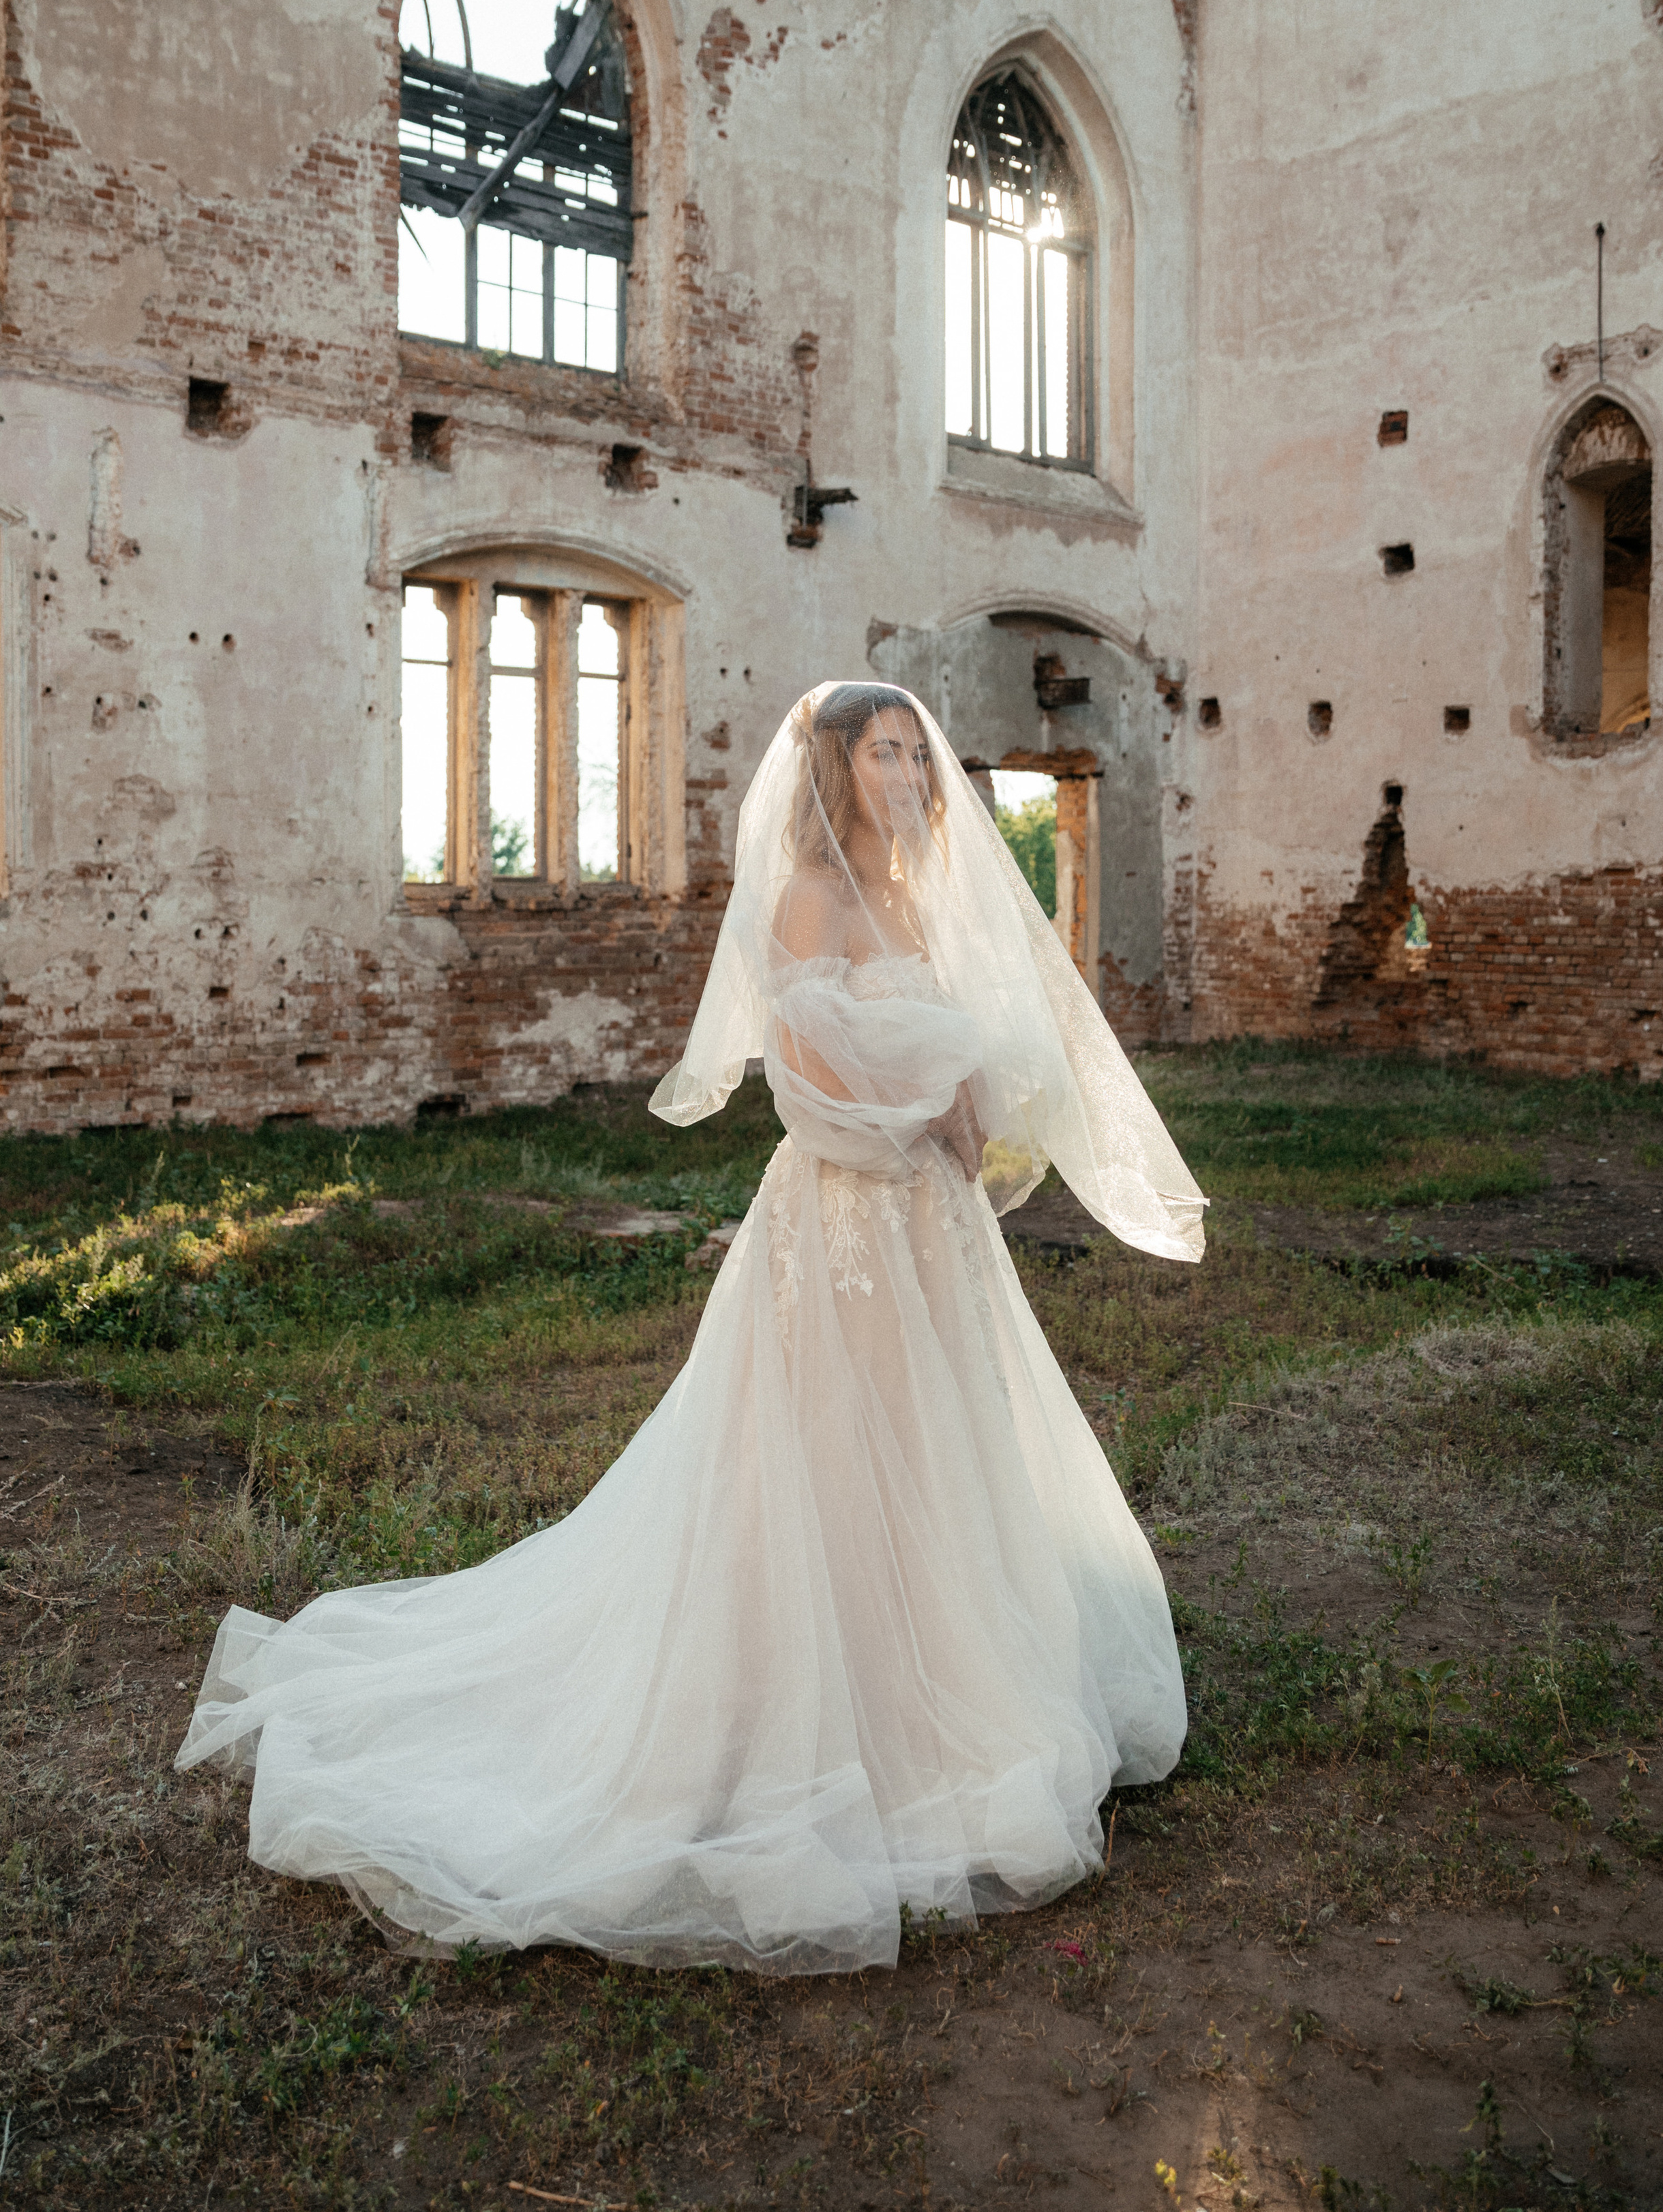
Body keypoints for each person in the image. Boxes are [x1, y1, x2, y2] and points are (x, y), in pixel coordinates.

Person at [176, 683, 1205, 1973]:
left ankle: (954, 1687)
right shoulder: (809, 900)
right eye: (880, 753)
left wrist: (972, 1104)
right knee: (830, 1452)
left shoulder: (920, 898)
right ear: (836, 772)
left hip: (934, 1235)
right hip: (839, 1225)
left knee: (941, 1447)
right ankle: (803, 1712)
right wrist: (927, 1117)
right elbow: (811, 1091)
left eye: (912, 752)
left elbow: (971, 1045)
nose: (903, 772)